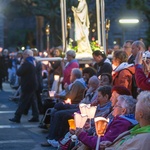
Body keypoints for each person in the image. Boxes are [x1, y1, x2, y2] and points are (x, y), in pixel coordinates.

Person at [41, 68, 86, 147]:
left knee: (57, 113)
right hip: (76, 105)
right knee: (55, 110)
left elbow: (71, 97)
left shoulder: (77, 84)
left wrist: (64, 90)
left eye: (71, 75)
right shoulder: (78, 83)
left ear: (74, 76)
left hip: (75, 105)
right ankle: (52, 136)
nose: (70, 77)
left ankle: (53, 138)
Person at [9, 49, 39, 123]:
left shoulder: (27, 63)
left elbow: (19, 72)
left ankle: (17, 116)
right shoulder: (34, 61)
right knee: (33, 101)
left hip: (27, 85)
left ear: (28, 55)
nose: (23, 56)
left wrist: (22, 64)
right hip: (33, 84)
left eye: (24, 54)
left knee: (23, 101)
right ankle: (36, 116)